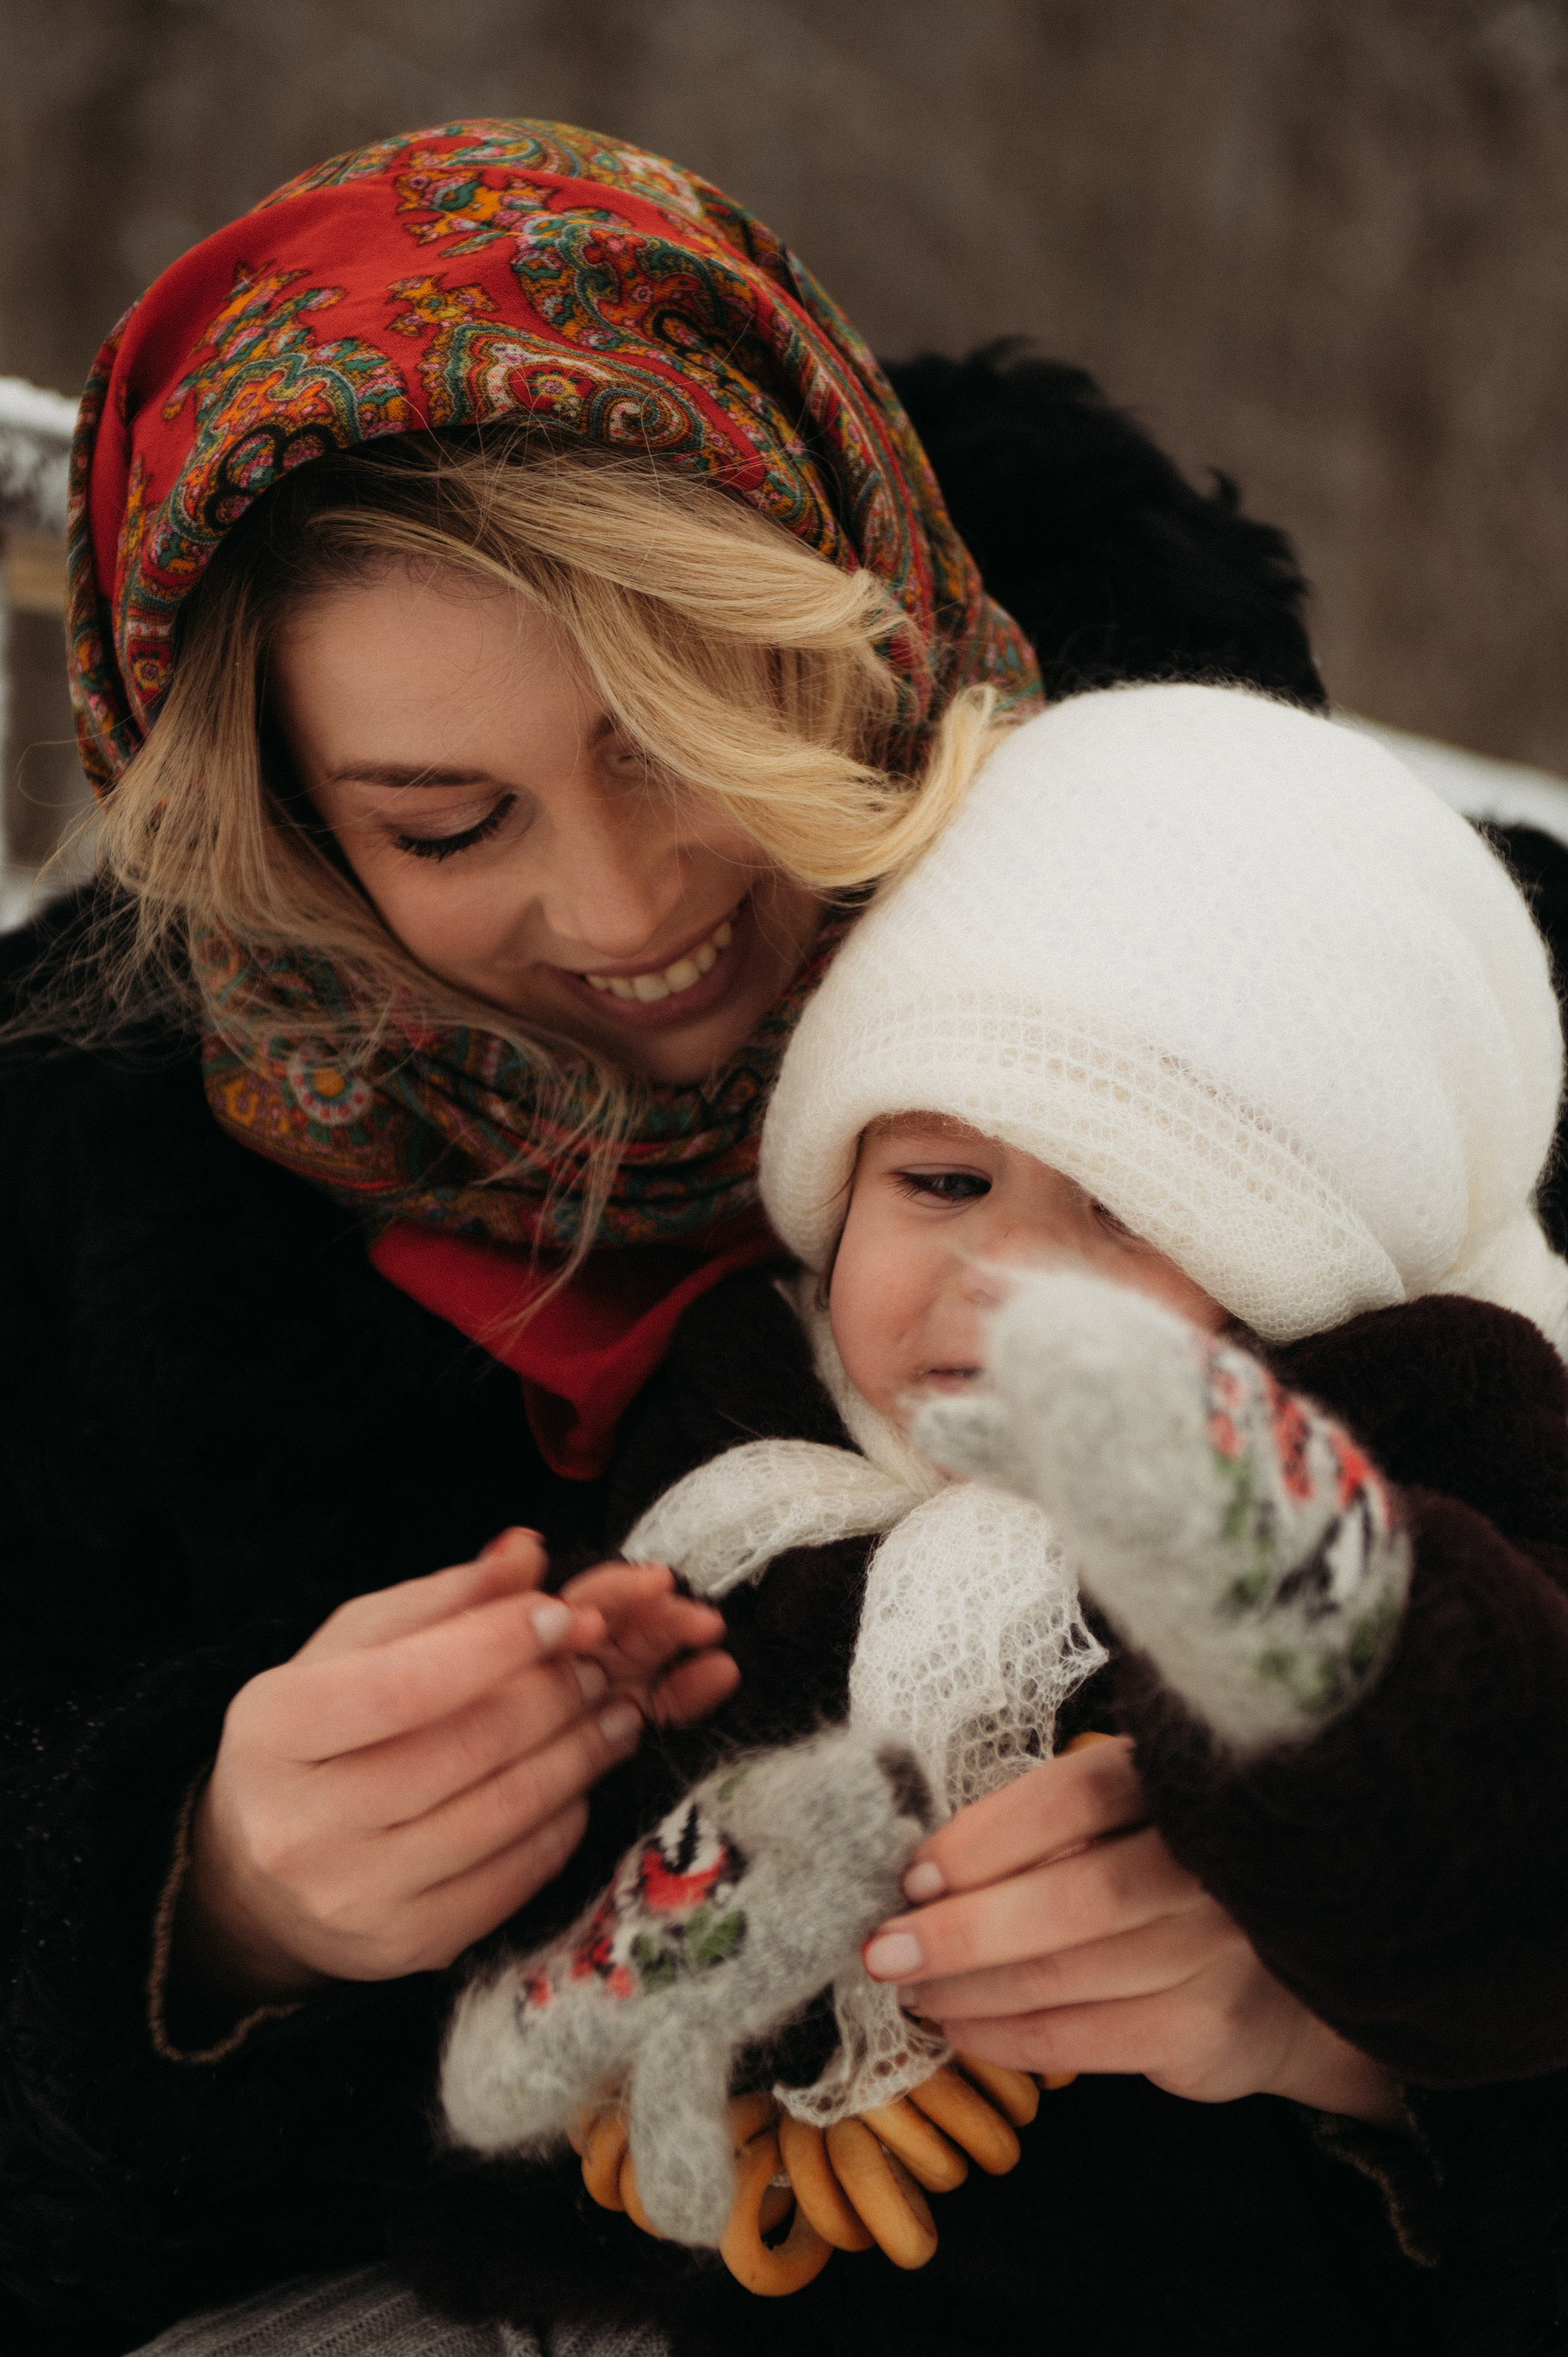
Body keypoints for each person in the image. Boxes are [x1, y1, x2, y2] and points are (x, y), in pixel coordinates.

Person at [0, 110, 1529, 2357]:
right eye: (450, 822)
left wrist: (1369, 2041)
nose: (625, 916)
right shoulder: (93, 1231)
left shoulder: (1341, 986)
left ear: (847, 613)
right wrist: (213, 1915)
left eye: (677, 733)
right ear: (288, 825)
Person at [404, 686, 1568, 2357]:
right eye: (943, 1184)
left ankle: (1297, 1615)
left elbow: (1519, 1887)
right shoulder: (750, 1435)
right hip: (747, 2277)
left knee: (1415, 1752)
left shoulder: (1434, 1416)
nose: (999, 1272)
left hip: (1233, 2290)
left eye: (1131, 1211)